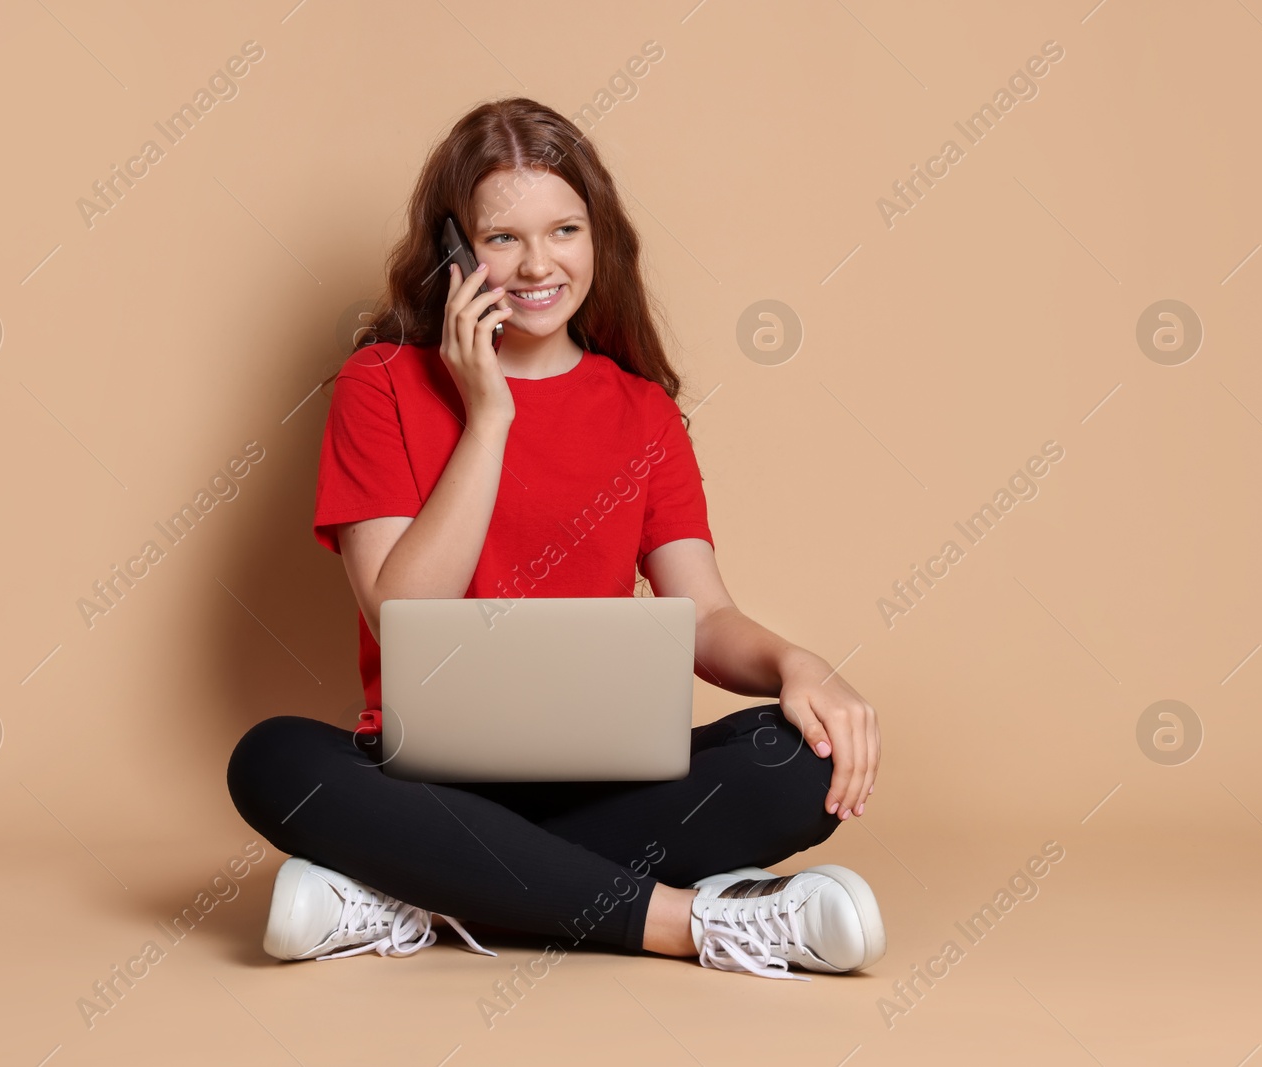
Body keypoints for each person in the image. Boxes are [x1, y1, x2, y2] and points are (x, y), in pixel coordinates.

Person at [226, 97, 885, 981]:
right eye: (502, 239)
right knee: (274, 759)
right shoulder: (379, 383)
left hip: (603, 782)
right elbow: (402, 614)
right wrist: (487, 416)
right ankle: (693, 923)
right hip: (426, 782)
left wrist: (798, 663)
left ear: (598, 237)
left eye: (564, 229)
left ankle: (412, 891)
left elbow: (704, 612)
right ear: (454, 250)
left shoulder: (642, 411)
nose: (538, 264)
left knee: (801, 761)